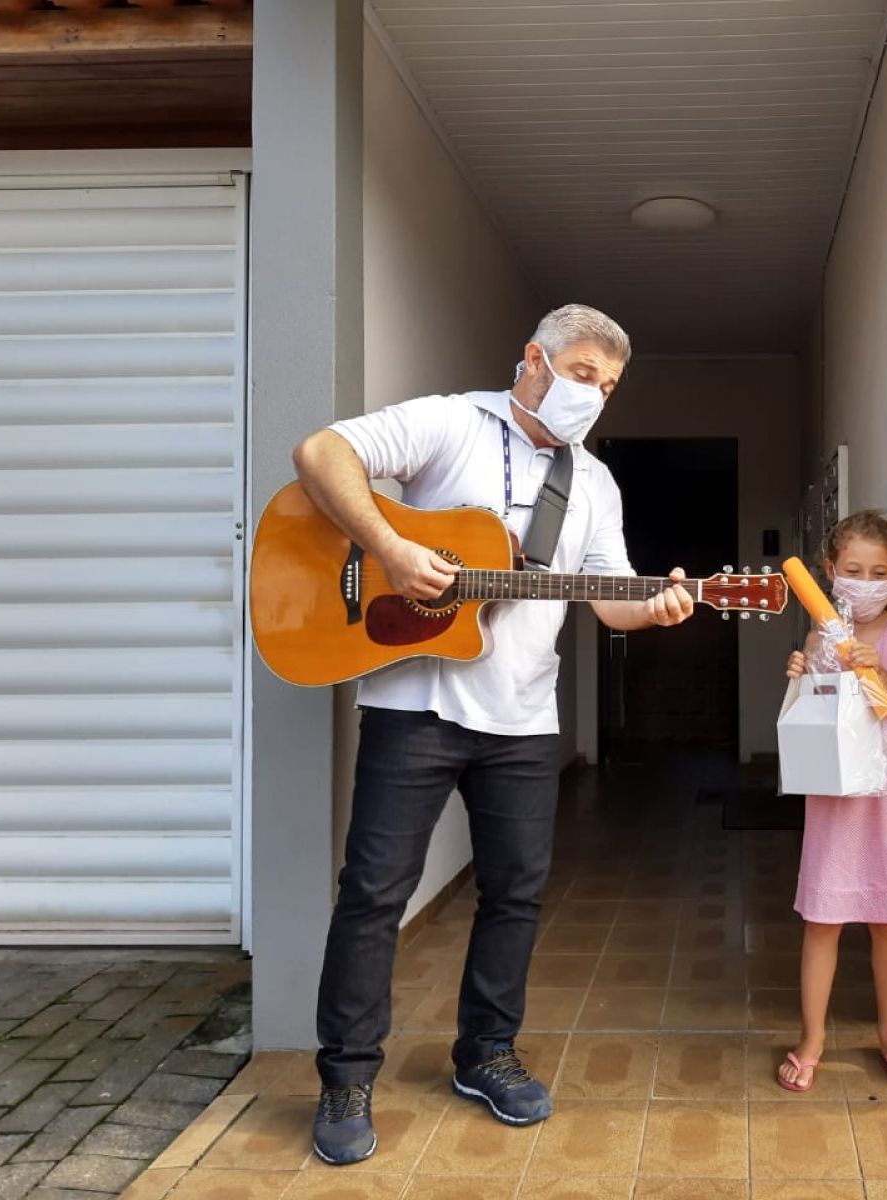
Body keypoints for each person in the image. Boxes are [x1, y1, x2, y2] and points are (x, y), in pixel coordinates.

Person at [290, 304, 695, 1165]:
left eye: (608, 387)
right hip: (412, 705)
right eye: (583, 374)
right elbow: (321, 453)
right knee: (374, 894)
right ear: (533, 360)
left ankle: (486, 1055)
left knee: (514, 894)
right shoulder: (450, 422)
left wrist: (659, 608)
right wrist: (391, 547)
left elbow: (611, 599)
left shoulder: (593, 483)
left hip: (522, 718)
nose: (595, 395)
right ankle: (346, 1079)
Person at [776, 510, 887, 1092]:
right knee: (823, 919)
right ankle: (812, 1039)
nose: (866, 582)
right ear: (829, 571)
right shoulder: (819, 638)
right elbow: (814, 715)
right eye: (853, 570)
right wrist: (801, 675)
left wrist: (883, 677)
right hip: (838, 796)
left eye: (879, 573)